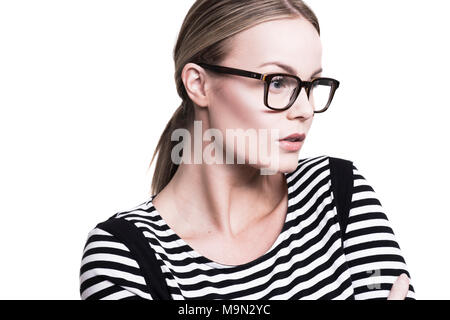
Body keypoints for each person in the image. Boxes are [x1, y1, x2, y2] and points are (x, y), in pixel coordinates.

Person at [79, 0, 415, 300]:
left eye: (311, 84)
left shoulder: (336, 192)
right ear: (199, 83)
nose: (305, 110)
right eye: (278, 82)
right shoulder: (124, 254)